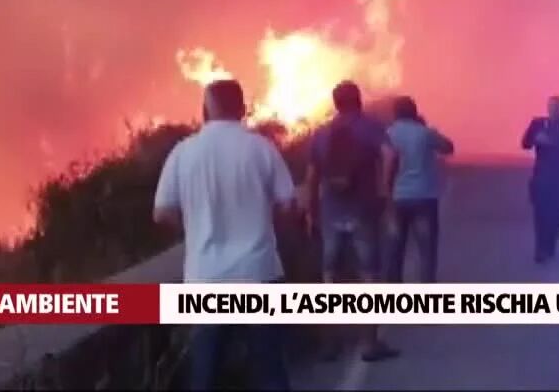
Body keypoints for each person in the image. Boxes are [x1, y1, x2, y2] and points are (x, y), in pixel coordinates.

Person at [152, 79, 295, 391]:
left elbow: (161, 212)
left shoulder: (183, 153)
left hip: (206, 276)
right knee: (269, 367)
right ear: (242, 109)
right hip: (258, 271)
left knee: (206, 372)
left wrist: (193, 229)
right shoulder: (261, 148)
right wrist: (266, 226)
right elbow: (287, 203)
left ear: (206, 110)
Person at [305, 80, 400, 363]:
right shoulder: (370, 127)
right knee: (369, 276)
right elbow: (390, 154)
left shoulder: (322, 133)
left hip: (331, 213)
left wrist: (312, 211)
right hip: (363, 212)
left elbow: (311, 177)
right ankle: (370, 343)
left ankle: (329, 344)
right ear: (358, 100)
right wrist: (384, 189)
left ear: (335, 103)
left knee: (330, 278)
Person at [385, 95, 454, 283]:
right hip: (424, 195)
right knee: (426, 249)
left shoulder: (389, 133)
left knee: (395, 248)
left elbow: (384, 164)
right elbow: (448, 147)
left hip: (398, 197)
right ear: (414, 112)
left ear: (395, 113)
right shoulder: (424, 133)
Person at [520, 95, 559, 263]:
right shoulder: (537, 124)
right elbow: (525, 143)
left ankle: (550, 243)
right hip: (541, 176)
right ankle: (540, 248)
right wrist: (537, 139)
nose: (553, 109)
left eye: (557, 107)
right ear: (547, 108)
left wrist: (548, 142)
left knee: (558, 212)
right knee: (540, 213)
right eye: (551, 106)